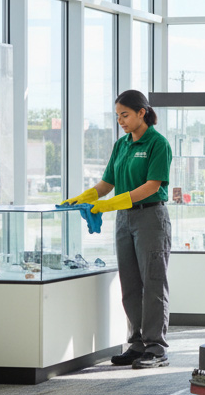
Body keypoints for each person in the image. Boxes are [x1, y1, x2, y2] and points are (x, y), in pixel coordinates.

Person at [62, 90, 173, 369]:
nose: (121, 121)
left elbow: (152, 186)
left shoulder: (158, 144)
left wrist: (111, 204)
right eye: (117, 116)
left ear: (141, 113)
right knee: (130, 284)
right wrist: (83, 197)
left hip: (150, 218)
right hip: (124, 221)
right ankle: (136, 344)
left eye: (125, 115)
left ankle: (156, 346)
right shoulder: (121, 145)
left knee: (153, 283)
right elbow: (106, 183)